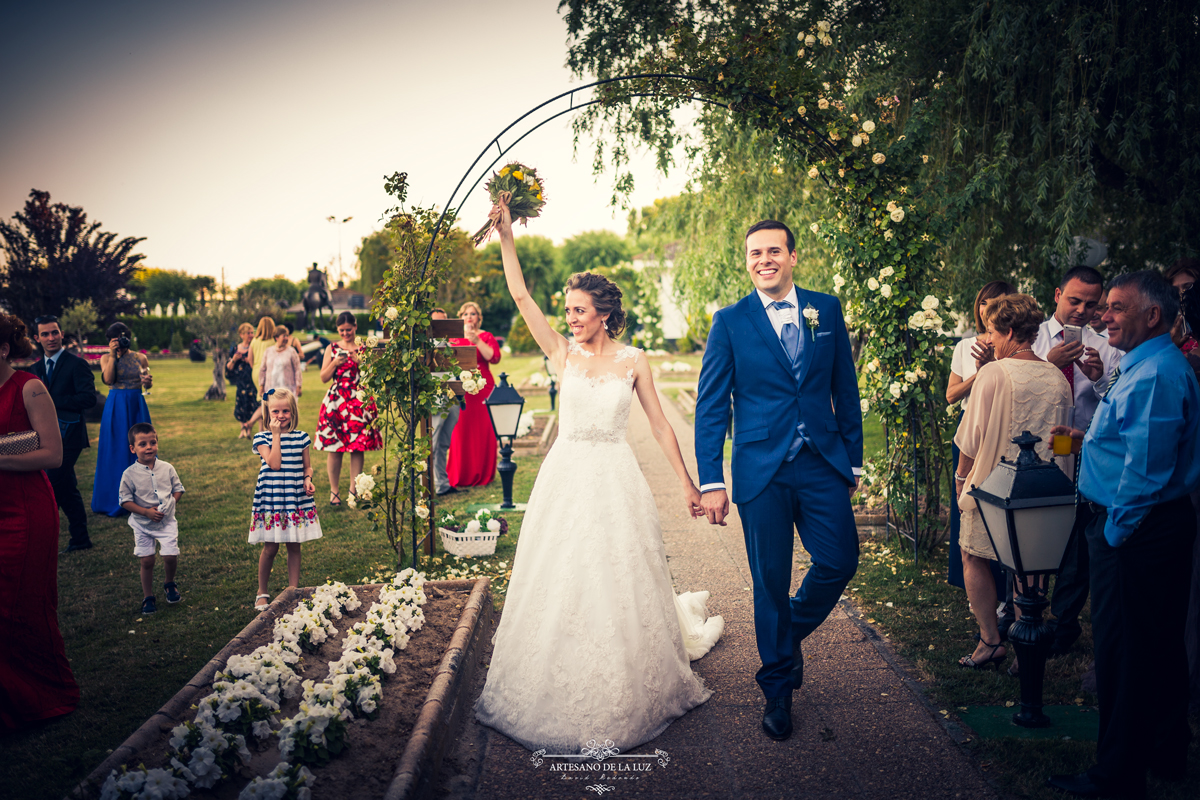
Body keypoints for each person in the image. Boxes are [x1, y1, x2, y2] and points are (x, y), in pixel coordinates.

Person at [474, 195, 721, 753]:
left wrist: (687, 482)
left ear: (604, 314)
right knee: (561, 572)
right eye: (568, 310)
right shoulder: (563, 354)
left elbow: (659, 425)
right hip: (565, 478)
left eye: (580, 311)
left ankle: (626, 671)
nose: (571, 318)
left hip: (616, 479)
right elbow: (520, 295)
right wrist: (507, 236)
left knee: (617, 573)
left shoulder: (633, 361)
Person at [695, 220, 862, 742]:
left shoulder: (825, 309)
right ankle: (778, 693)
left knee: (840, 560)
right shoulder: (729, 321)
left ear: (792, 256)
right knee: (769, 581)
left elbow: (845, 387)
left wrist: (852, 461)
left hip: (821, 463)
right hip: (759, 469)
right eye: (753, 253)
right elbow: (710, 407)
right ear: (746, 261)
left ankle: (783, 638)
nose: (763, 260)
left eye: (773, 251)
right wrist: (710, 480)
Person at [1046, 271, 1199, 800]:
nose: (1101, 316)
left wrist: (1115, 533)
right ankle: (1164, 750)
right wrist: (1090, 438)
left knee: (1125, 651)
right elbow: (1137, 438)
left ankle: (1116, 774)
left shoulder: (1156, 373)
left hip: (1135, 529)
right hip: (1145, 524)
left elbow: (1146, 471)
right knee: (1156, 646)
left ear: (1151, 316)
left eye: (1113, 307)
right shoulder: (1148, 365)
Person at [953, 295, 1072, 671]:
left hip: (991, 486)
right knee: (1029, 569)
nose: (988, 340)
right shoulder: (1057, 377)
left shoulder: (994, 372)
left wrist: (960, 478)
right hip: (1041, 490)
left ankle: (991, 640)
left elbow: (971, 438)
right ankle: (1026, 646)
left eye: (991, 331)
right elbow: (1065, 443)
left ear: (1007, 331)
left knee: (973, 556)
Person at [1031, 266, 1120, 657]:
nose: (1082, 310)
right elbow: (1020, 390)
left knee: (1076, 545)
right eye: (1074, 300)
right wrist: (1047, 365)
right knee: (1033, 535)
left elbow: (1119, 406)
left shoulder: (1107, 345)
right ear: (1057, 294)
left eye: (1091, 303)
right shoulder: (1030, 338)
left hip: (1080, 449)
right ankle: (1024, 611)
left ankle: (1063, 625)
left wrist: (1100, 379)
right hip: (1035, 448)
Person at [0, 312, 80, 730]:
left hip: (26, 513)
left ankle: (43, 695)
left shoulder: (29, 388)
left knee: (22, 605)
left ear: (4, 349)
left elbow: (53, 454)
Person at [945, 281, 1015, 591]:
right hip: (968, 425)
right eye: (984, 302)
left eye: (997, 302)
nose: (988, 308)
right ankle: (970, 575)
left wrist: (994, 364)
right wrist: (980, 372)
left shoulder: (1012, 345)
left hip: (999, 425)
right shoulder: (963, 347)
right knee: (965, 502)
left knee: (997, 505)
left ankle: (1003, 582)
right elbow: (951, 395)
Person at [31, 314, 98, 552]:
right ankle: (80, 538)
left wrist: (52, 400)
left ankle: (41, 537)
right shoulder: (34, 369)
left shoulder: (76, 364)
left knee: (49, 484)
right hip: (44, 438)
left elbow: (89, 398)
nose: (51, 337)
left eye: (55, 332)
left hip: (70, 437)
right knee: (67, 488)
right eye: (45, 334)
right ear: (37, 338)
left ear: (61, 334)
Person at [251, 388, 321, 611]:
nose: (280, 416)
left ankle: (293, 590)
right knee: (270, 547)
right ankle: (262, 591)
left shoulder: (302, 437)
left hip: (294, 497)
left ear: (293, 412)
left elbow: (306, 465)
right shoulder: (262, 438)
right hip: (272, 497)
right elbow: (274, 464)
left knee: (294, 545)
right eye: (275, 411)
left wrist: (308, 479)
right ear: (267, 412)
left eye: (286, 411)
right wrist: (276, 435)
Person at [315, 312, 381, 507]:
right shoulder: (332, 348)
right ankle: (334, 491)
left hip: (358, 400)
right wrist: (335, 363)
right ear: (337, 330)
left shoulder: (363, 348)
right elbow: (323, 377)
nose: (345, 333)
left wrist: (361, 362)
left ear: (355, 327)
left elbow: (372, 376)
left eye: (349, 330)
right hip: (336, 402)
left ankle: (354, 490)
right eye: (342, 330)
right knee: (334, 448)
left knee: (357, 447)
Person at [119, 423, 184, 615]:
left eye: (153, 442)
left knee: (170, 556)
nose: (149, 447)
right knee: (147, 560)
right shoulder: (129, 474)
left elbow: (178, 489)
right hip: (142, 524)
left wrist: (171, 502)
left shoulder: (167, 468)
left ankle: (169, 583)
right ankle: (148, 596)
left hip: (166, 522)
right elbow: (124, 501)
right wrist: (145, 512)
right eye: (143, 444)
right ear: (133, 449)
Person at [93, 322, 152, 516]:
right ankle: (114, 498)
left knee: (141, 447)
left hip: (136, 404)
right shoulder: (105, 358)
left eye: (124, 337)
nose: (122, 342)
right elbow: (109, 380)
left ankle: (143, 498)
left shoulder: (140, 357)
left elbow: (147, 384)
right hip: (116, 405)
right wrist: (112, 355)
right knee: (115, 448)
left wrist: (148, 383)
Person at [446, 302, 502, 487]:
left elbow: (494, 358)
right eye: (465, 314)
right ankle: (462, 473)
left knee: (482, 430)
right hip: (461, 391)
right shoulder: (453, 338)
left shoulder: (485, 336)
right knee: (460, 430)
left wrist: (477, 341)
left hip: (483, 388)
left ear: (479, 317)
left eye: (473, 313)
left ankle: (484, 473)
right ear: (460, 317)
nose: (469, 317)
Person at [429, 309, 460, 497]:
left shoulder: (451, 343)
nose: (441, 326)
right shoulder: (428, 346)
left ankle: (442, 484)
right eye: (436, 322)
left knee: (443, 443)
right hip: (436, 396)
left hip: (452, 396)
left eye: (444, 321)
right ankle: (428, 484)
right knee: (432, 442)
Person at [226, 323, 259, 438]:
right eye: (248, 333)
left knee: (254, 404)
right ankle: (242, 429)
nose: (250, 335)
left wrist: (248, 360)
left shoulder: (255, 346)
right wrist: (234, 359)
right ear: (241, 335)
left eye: (251, 332)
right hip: (240, 381)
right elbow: (229, 367)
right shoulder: (235, 349)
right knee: (241, 404)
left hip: (253, 380)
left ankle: (249, 428)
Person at [258, 324, 303, 399]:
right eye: (284, 336)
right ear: (276, 337)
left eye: (287, 336)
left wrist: (299, 386)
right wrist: (261, 386)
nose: (286, 338)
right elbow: (262, 369)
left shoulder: (291, 351)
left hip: (287, 389)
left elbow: (297, 369)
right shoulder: (268, 351)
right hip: (271, 388)